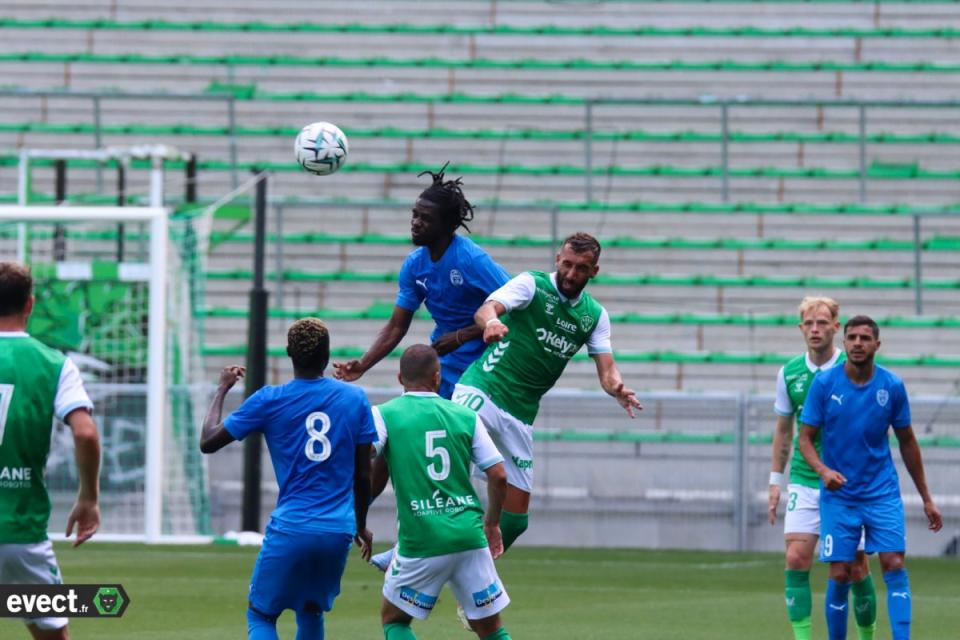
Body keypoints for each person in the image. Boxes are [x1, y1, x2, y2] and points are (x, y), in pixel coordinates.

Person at [454, 231, 642, 552]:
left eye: (581, 268)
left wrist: (617, 388)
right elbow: (488, 308)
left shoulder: (594, 316)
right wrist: (490, 323)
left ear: (594, 271)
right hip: (482, 390)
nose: (571, 274)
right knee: (448, 475)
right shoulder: (532, 284)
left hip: (520, 415)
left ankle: (473, 572)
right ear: (557, 260)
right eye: (566, 264)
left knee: (515, 521)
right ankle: (409, 549)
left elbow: (607, 369)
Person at [200, 318, 376, 640]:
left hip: (293, 526)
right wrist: (360, 523)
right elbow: (364, 475)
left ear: (288, 354)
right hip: (338, 528)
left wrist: (222, 388)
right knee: (310, 610)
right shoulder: (355, 398)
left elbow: (208, 441)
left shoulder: (269, 399)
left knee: (261, 615)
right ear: (327, 355)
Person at [799, 315, 943, 640]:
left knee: (893, 563)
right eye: (852, 338)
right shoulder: (824, 384)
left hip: (881, 493)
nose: (858, 344)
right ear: (844, 342)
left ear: (877, 344)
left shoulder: (891, 386)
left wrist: (927, 498)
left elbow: (907, 440)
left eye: (865, 338)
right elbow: (805, 438)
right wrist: (823, 471)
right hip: (840, 496)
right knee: (841, 572)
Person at [369, 344, 513, 640]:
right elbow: (498, 476)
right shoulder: (466, 416)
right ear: (437, 377)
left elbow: (366, 452)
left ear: (400, 379)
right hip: (469, 538)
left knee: (394, 620)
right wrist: (493, 524)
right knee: (491, 630)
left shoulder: (384, 414)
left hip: (421, 540)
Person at [333, 162, 510, 400]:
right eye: (415, 214)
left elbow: (516, 304)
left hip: (485, 365)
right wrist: (364, 364)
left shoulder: (471, 260)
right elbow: (397, 326)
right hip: (443, 363)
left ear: (448, 225)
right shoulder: (414, 265)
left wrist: (461, 336)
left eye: (426, 218)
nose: (415, 222)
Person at [0, 261, 101, 640]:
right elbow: (86, 434)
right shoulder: (55, 364)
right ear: (29, 305)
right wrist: (88, 497)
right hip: (19, 531)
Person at [768, 297, 877, 640]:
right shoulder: (789, 373)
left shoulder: (854, 366)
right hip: (804, 477)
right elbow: (784, 429)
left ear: (834, 327)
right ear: (801, 329)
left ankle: (867, 635)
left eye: (821, 323)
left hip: (848, 483)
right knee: (797, 558)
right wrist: (774, 480)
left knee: (854, 566)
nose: (814, 329)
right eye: (808, 324)